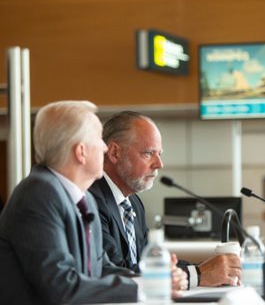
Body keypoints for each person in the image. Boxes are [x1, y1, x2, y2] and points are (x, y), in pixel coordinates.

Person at [0, 101, 141, 305]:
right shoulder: (38, 193)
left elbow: (100, 269)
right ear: (81, 152)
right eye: (99, 139)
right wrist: (142, 289)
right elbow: (61, 287)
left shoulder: (84, 197)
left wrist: (153, 279)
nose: (105, 147)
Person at [89, 111, 242, 288]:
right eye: (148, 153)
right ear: (115, 153)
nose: (159, 164)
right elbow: (114, 271)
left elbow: (147, 264)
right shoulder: (91, 200)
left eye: (159, 153)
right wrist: (198, 274)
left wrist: (209, 271)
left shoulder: (134, 204)